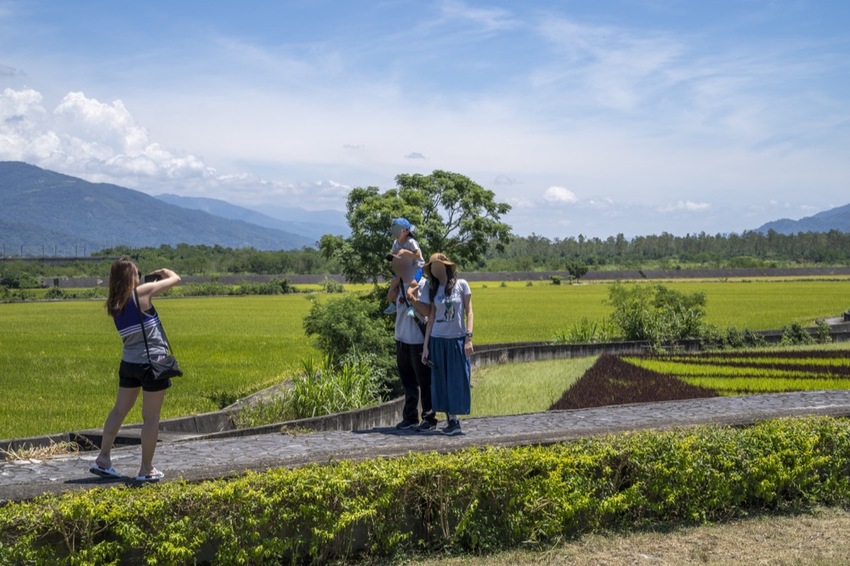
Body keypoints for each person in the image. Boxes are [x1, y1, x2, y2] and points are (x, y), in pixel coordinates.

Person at [89, 257, 181, 482]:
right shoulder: (141, 293)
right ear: (131, 277)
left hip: (129, 363)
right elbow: (176, 279)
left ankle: (103, 459)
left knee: (119, 411)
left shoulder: (115, 303)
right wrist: (165, 271)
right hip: (152, 363)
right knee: (151, 417)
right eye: (137, 274)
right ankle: (146, 469)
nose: (140, 278)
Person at [418, 253, 473, 435]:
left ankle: (454, 420)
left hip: (457, 339)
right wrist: (425, 346)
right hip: (437, 339)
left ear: (446, 266)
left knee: (457, 379)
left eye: (438, 265)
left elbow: (469, 312)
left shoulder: (462, 285)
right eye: (432, 267)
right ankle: (451, 420)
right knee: (441, 381)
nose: (435, 269)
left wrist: (469, 337)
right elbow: (431, 319)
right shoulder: (434, 290)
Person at [388, 254, 438, 431]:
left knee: (424, 381)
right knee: (408, 382)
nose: (396, 266)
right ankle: (410, 417)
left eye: (399, 262)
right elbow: (390, 300)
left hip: (417, 340)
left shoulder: (422, 284)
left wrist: (413, 299)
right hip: (401, 338)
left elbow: (428, 311)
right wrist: (393, 287)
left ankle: (429, 418)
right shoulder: (399, 283)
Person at [384, 217, 425, 316]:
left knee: (413, 283)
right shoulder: (395, 243)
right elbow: (395, 256)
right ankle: (393, 303)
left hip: (416, 266)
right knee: (394, 282)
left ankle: (413, 306)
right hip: (403, 267)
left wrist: (405, 252)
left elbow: (417, 255)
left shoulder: (411, 242)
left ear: (406, 232)